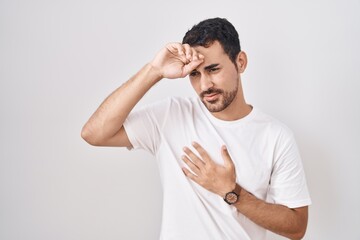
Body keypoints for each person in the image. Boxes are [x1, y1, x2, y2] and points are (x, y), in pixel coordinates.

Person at [81, 17, 311, 240]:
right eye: (194, 74)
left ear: (240, 62)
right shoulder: (171, 115)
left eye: (213, 69)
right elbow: (94, 133)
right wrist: (154, 70)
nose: (204, 85)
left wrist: (231, 191)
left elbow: (296, 227)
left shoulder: (275, 136)